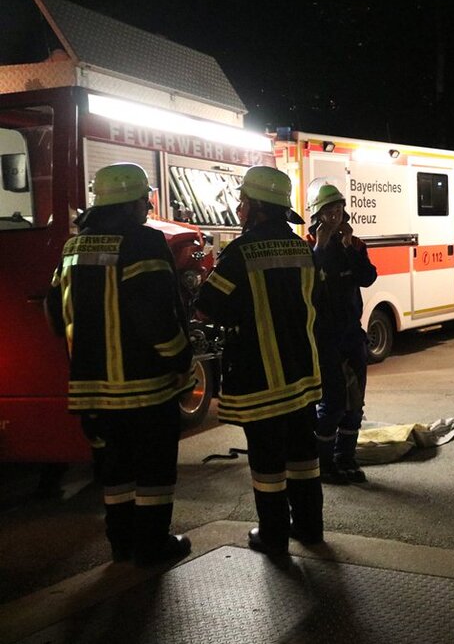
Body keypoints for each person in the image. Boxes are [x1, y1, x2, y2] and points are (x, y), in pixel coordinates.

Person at [45, 163, 194, 566]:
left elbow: (54, 315)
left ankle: (121, 544)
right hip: (145, 387)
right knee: (153, 471)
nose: (147, 207)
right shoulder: (143, 243)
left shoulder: (73, 248)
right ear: (131, 203)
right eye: (144, 199)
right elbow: (157, 317)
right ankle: (152, 546)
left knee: (114, 471)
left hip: (92, 389)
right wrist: (182, 357)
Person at [195, 166, 324, 556]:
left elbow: (206, 307)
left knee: (267, 461)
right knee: (304, 456)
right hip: (302, 373)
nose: (239, 207)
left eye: (243, 201)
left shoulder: (240, 252)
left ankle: (273, 536)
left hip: (260, 378)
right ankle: (310, 529)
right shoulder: (303, 248)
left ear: (254, 206)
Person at [306, 180, 377, 484]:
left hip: (351, 332)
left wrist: (349, 248)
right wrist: (321, 247)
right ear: (317, 215)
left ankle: (345, 458)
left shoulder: (355, 244)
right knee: (333, 401)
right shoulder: (308, 246)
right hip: (324, 336)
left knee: (355, 401)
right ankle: (322, 464)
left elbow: (367, 278)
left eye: (339, 209)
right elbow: (308, 284)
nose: (335, 216)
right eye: (329, 211)